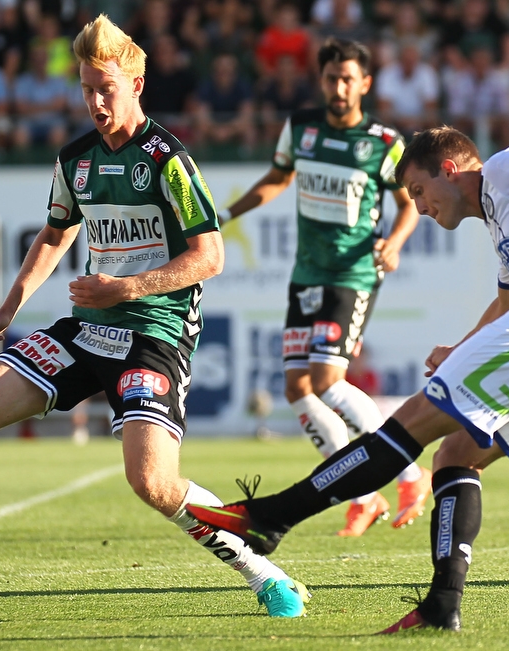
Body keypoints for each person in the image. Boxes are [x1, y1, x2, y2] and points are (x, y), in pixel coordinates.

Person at [0, 13, 312, 619]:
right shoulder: (77, 160)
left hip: (155, 335)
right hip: (90, 330)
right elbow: (55, 232)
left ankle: (265, 574)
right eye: (86, 88)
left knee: (152, 484)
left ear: (136, 85)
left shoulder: (167, 158)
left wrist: (125, 287)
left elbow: (211, 256)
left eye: (106, 89)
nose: (95, 102)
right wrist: (10, 304)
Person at [188, 126, 509, 632]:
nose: (420, 208)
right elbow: (506, 306)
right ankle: (441, 606)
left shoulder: (504, 167)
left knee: (408, 426)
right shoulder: (506, 220)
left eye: (420, 191)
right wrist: (460, 348)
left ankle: (270, 518)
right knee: (455, 456)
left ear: (450, 169)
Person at [215, 37, 429, 537]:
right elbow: (277, 178)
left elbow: (409, 203)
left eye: (348, 79)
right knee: (297, 389)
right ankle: (364, 494)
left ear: (365, 84)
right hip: (306, 274)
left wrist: (395, 242)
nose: (339, 87)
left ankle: (411, 475)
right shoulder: (302, 128)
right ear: (322, 80)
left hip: (352, 275)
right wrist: (225, 214)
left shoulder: (383, 143)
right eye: (332, 78)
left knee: (328, 380)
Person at [11, 42, 71, 150]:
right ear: (31, 61)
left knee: (59, 134)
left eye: (42, 59)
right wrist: (50, 105)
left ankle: (55, 165)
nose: (40, 62)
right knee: (19, 135)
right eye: (37, 59)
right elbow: (20, 108)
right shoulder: (22, 81)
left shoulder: (58, 80)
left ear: (47, 60)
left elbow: (61, 105)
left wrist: (32, 106)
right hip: (29, 122)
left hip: (53, 121)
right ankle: (24, 164)